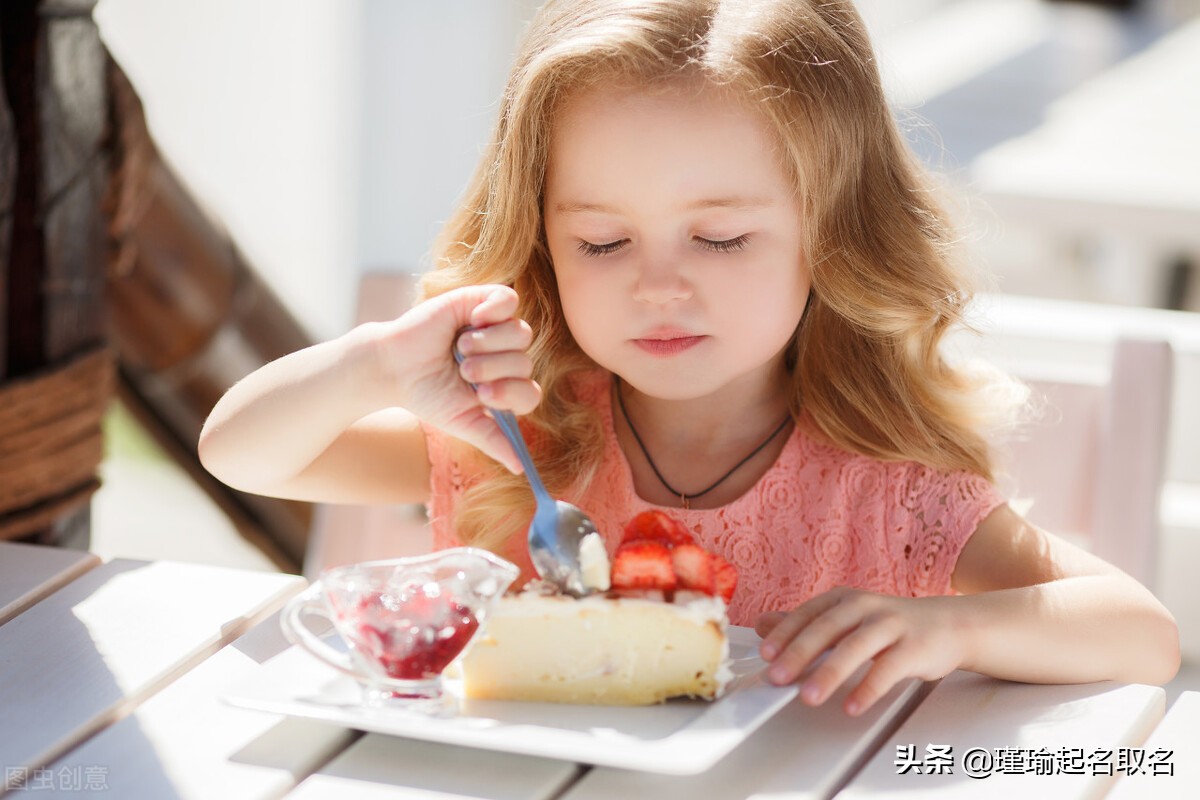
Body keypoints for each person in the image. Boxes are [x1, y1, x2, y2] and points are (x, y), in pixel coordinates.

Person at [199, 0, 1179, 715]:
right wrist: (376, 363)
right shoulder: (526, 435)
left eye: (719, 239)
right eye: (602, 243)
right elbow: (242, 453)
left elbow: (1140, 631)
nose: (659, 287)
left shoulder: (888, 487)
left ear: (832, 236)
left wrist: (950, 628)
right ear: (544, 243)